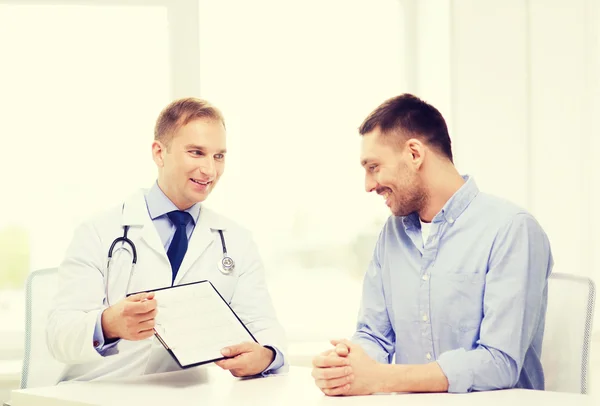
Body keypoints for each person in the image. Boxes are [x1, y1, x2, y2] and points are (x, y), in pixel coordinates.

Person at [311, 94, 553, 395]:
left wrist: (382, 378)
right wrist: (347, 367)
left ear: (414, 154)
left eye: (373, 167)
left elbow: (498, 362)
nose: (368, 185)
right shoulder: (391, 235)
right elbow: (374, 336)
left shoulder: (512, 229)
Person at [47, 97, 287, 382]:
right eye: (196, 152)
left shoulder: (236, 241)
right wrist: (110, 323)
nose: (210, 170)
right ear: (160, 153)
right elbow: (58, 334)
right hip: (102, 390)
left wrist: (266, 355)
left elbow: (264, 327)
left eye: (219, 156)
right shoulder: (98, 231)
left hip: (189, 395)